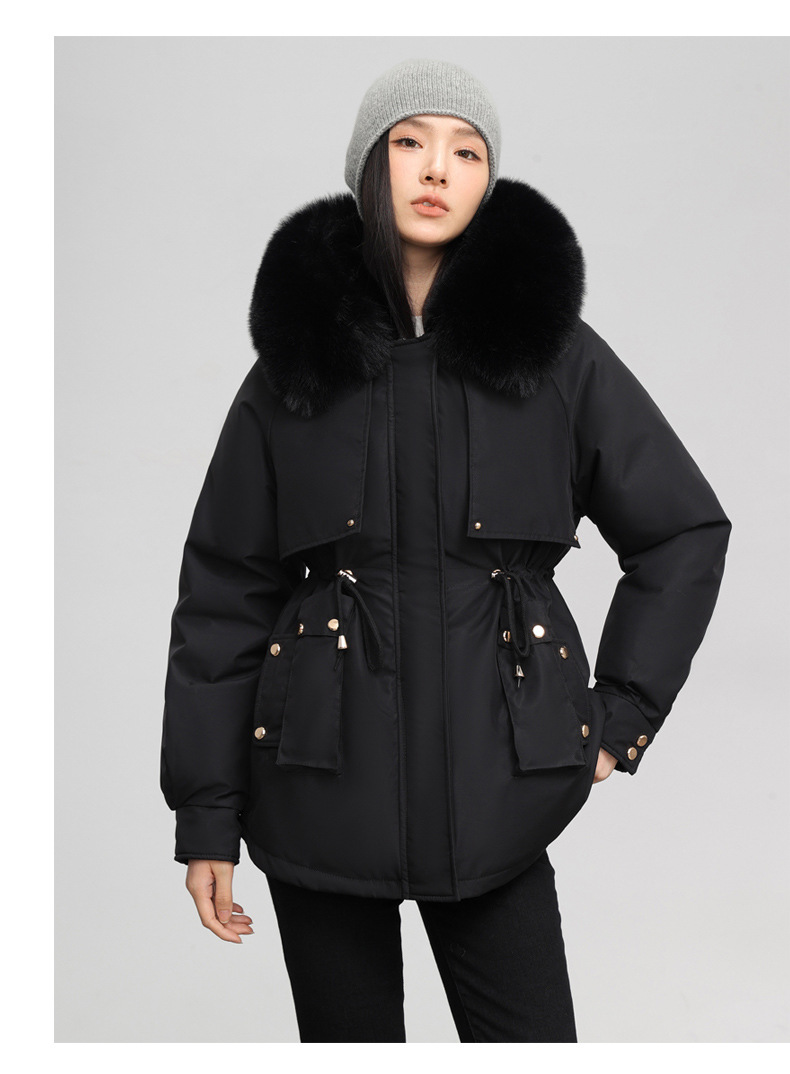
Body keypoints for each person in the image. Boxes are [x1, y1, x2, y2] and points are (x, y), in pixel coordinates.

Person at [159, 58, 732, 1043]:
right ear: (368, 167)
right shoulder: (292, 371)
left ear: (487, 181)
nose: (437, 168)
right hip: (315, 794)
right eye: (410, 143)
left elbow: (682, 529)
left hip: (499, 800)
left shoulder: (555, 357)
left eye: (467, 152)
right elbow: (222, 596)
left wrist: (622, 713)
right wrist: (206, 814)